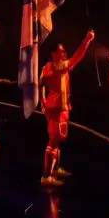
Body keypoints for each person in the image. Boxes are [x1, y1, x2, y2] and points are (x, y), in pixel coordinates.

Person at [40, 30, 95, 188]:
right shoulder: (58, 66)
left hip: (58, 107)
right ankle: (46, 176)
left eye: (64, 51)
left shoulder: (50, 67)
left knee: (57, 139)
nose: (64, 53)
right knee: (53, 141)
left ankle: (55, 169)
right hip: (56, 109)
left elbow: (40, 84)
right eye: (61, 51)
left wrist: (43, 101)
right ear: (53, 54)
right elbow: (77, 57)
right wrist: (87, 40)